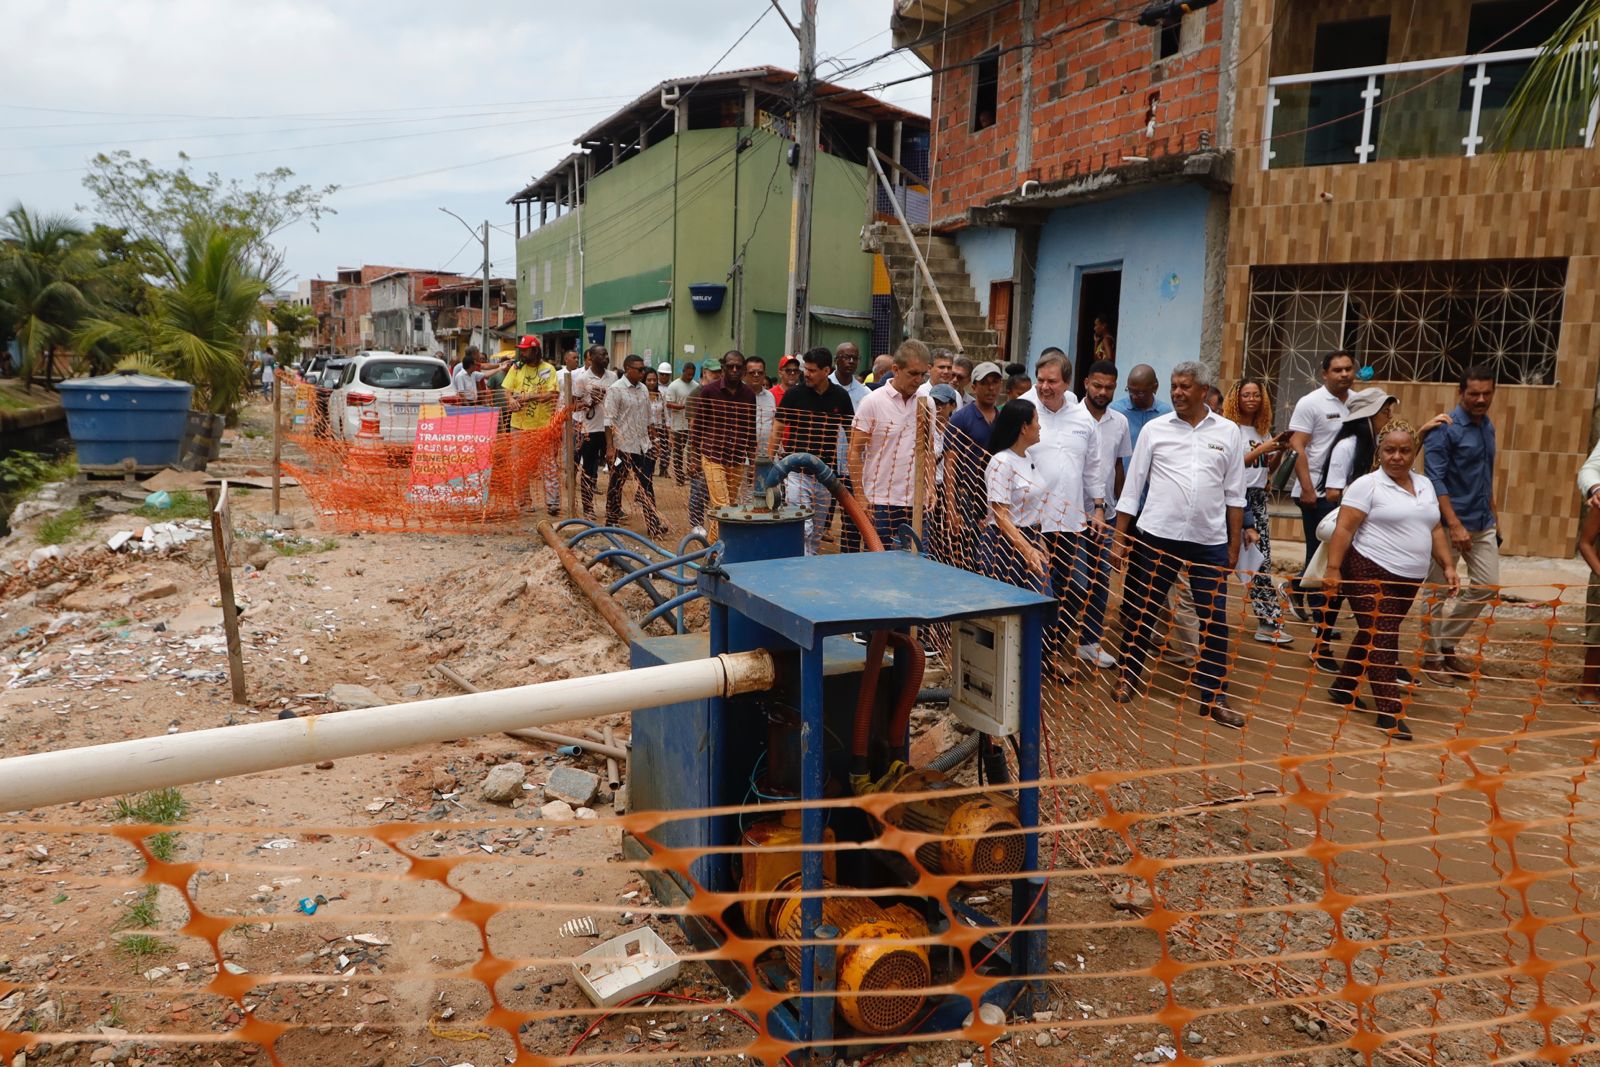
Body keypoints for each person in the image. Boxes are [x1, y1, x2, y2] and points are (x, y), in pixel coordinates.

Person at [1112, 361, 1247, 728]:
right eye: (1174, 386)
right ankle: (1128, 675)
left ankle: (1215, 696)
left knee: (1214, 619)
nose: (1177, 392)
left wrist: (1233, 547)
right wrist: (1120, 539)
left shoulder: (1229, 432)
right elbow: (1132, 488)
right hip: (1157, 536)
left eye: (1185, 386)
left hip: (1209, 541)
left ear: (1205, 391)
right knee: (1142, 609)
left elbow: (1236, 494)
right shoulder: (1155, 430)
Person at [1324, 422, 1459, 740]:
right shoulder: (1367, 485)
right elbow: (1343, 529)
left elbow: (1435, 528)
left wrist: (1449, 564)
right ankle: (1389, 712)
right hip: (1368, 569)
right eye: (1390, 450)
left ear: (1414, 453)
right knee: (1383, 636)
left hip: (1409, 578)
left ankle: (1344, 686)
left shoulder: (1425, 484)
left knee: (1376, 632)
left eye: (1404, 450)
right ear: (1380, 452)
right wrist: (1333, 569)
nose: (1397, 456)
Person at [1020, 352, 1106, 672]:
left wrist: (1097, 508)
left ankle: (1050, 648)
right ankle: (1036, 656)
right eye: (1040, 380)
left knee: (1075, 588)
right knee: (1037, 589)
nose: (1044, 387)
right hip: (1029, 523)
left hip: (1070, 524)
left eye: (1052, 381)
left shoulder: (1082, 418)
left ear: (1067, 383)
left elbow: (1093, 468)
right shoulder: (1022, 410)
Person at [1421, 365, 1500, 684]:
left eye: (1486, 393)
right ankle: (1431, 658)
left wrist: (1496, 518)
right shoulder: (1445, 429)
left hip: (1483, 522)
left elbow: (1486, 476)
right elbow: (1435, 478)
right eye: (1474, 394)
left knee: (1486, 586)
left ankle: (1446, 644)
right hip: (1446, 525)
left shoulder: (1488, 427)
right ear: (1461, 393)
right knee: (1438, 592)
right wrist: (1453, 524)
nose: (1480, 399)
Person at [1286, 350, 1357, 631]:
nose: (1344, 375)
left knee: (1333, 554)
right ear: (1324, 374)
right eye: (1337, 370)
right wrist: (1306, 488)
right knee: (1321, 553)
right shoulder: (1310, 403)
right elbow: (1297, 446)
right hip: (1315, 492)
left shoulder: (1359, 403)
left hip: (1347, 493)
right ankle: (1320, 619)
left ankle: (1295, 588)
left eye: (1348, 369)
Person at [1222, 379, 1293, 646]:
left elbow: (1265, 470)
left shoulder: (1262, 431)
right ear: (1236, 399)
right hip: (1238, 500)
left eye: (1256, 395)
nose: (1251, 399)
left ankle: (1267, 620)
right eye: (1246, 395)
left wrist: (1277, 452)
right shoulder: (1231, 430)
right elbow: (1232, 467)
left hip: (1259, 498)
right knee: (1252, 561)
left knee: (1259, 560)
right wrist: (1262, 450)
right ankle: (1268, 621)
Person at [1074, 359, 1131, 669]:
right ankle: (1056, 641)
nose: (1102, 391)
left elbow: (1117, 466)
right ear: (1085, 383)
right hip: (1071, 513)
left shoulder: (1119, 422)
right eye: (1097, 385)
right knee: (1071, 581)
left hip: (1105, 514)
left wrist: (1121, 509)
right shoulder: (1071, 416)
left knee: (1100, 579)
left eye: (1109, 387)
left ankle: (1090, 642)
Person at [848, 339, 932, 547]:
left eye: (923, 374)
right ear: (896, 369)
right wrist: (860, 496)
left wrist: (930, 487)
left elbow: (929, 449)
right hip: (880, 501)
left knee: (917, 564)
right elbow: (854, 451)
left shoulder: (927, 402)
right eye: (913, 373)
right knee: (879, 565)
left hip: (916, 502)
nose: (918, 380)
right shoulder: (872, 402)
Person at [777, 347, 856, 555]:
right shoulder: (794, 394)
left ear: (826, 370)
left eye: (812, 370)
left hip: (825, 474)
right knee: (804, 526)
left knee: (817, 528)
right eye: (806, 369)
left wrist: (854, 464)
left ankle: (808, 562)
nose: (806, 374)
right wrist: (769, 458)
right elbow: (778, 427)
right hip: (797, 471)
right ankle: (798, 563)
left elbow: (850, 433)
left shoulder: (840, 397)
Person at [983, 399, 1050, 594]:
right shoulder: (1001, 462)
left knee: (1040, 603)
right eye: (1036, 421)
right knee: (1011, 609)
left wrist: (1038, 540)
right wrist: (1027, 549)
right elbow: (1000, 515)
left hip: (1030, 538)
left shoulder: (1027, 458)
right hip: (1004, 545)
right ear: (1023, 428)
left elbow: (1031, 506)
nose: (1039, 426)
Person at [691, 350, 757, 541]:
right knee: (722, 505)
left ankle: (713, 546)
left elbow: (750, 430)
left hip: (737, 459)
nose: (734, 370)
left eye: (738, 366)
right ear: (723, 368)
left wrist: (752, 463)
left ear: (743, 369)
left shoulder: (748, 395)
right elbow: (698, 426)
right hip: (713, 456)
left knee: (729, 506)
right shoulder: (709, 391)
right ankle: (715, 553)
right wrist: (694, 459)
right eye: (730, 366)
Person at [602, 354, 669, 540]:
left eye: (643, 369)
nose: (642, 372)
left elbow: (649, 419)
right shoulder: (615, 390)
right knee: (617, 483)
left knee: (646, 485)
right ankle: (612, 520)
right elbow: (608, 421)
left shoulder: (644, 390)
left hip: (642, 446)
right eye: (639, 369)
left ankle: (652, 524)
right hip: (621, 446)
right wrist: (610, 447)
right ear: (627, 369)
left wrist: (655, 442)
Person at [945, 361, 1007, 558]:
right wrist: (951, 507)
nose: (991, 388)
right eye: (985, 383)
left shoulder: (1003, 419)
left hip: (997, 496)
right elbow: (950, 463)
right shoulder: (961, 418)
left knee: (994, 553)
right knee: (966, 553)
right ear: (974, 387)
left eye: (995, 382)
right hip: (967, 496)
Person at [502, 336, 563, 513]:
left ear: (535, 350)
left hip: (542, 426)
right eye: (521, 349)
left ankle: (553, 503)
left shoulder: (548, 369)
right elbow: (507, 390)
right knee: (520, 465)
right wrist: (511, 399)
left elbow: (553, 394)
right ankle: (524, 502)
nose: (522, 352)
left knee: (548, 463)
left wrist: (531, 397)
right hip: (519, 425)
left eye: (526, 349)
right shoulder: (516, 367)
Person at [570, 346, 615, 518]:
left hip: (610, 430)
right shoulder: (582, 379)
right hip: (589, 430)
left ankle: (614, 507)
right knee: (589, 469)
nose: (606, 357)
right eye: (602, 354)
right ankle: (588, 508)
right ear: (592, 357)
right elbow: (574, 405)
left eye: (606, 354)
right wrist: (590, 402)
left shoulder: (613, 377)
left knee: (615, 467)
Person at [1111, 363, 1172, 449]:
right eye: (1130, 390)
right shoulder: (1116, 411)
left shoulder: (1165, 413)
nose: (1133, 396)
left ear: (1155, 388)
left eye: (1140, 393)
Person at [664, 362, 696, 485]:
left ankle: (691, 473)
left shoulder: (696, 386)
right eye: (688, 374)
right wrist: (684, 407)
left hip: (692, 424)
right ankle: (679, 476)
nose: (690, 377)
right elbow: (669, 404)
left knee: (692, 450)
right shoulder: (674, 386)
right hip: (678, 425)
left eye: (692, 375)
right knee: (678, 451)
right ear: (683, 371)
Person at [746, 355, 777, 457]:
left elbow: (773, 423)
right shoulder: (738, 396)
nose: (756, 375)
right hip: (743, 457)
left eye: (760, 373)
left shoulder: (770, 396)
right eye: (752, 372)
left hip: (766, 455)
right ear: (744, 374)